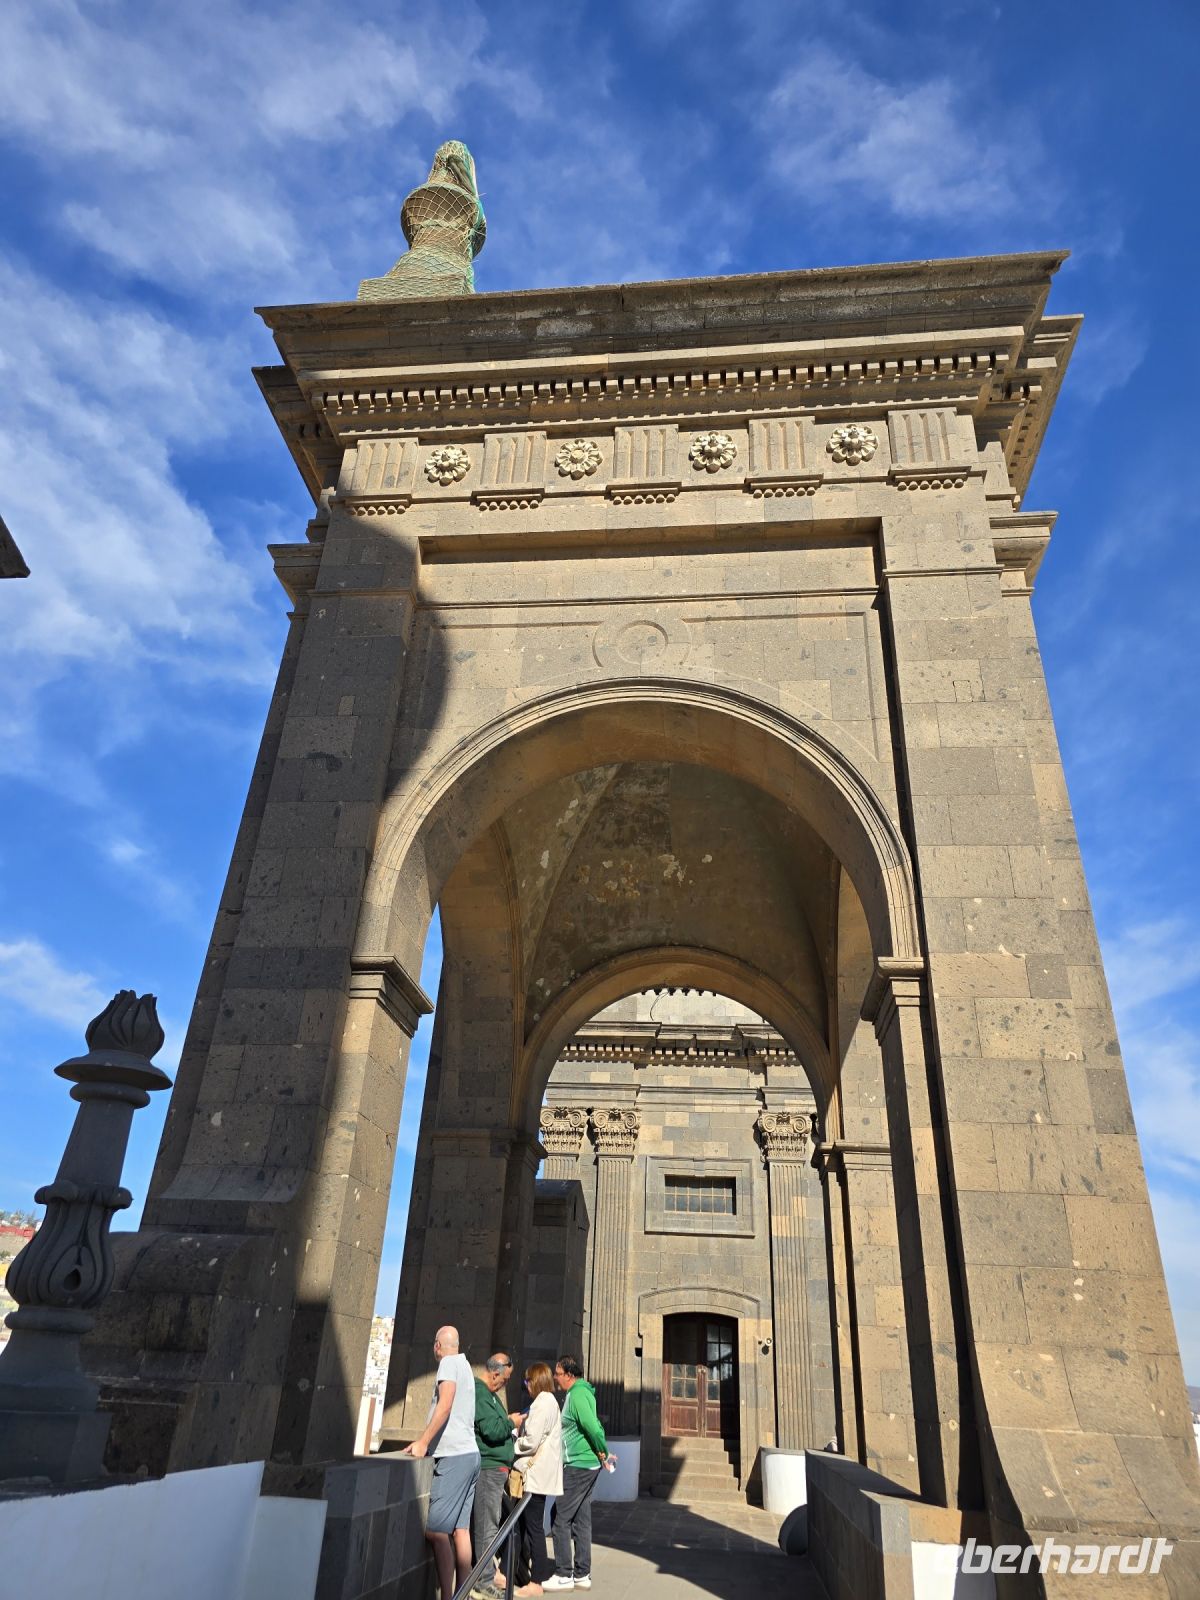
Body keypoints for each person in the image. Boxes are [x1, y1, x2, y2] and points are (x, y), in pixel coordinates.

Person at [405, 1325, 481, 1600]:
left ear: (438, 1345)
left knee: (436, 1531)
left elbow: (445, 1403)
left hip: (454, 1456)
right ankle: (463, 1593)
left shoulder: (448, 1364)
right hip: (470, 1454)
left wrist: (423, 1441)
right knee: (461, 1531)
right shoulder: (466, 1366)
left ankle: (448, 1597)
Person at [547, 1357, 609, 1591]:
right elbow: (594, 1425)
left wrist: (603, 1450)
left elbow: (592, 1426)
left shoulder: (578, 1394)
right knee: (581, 1520)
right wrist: (601, 1451)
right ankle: (582, 1574)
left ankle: (564, 1573)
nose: (555, 1377)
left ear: (569, 1375)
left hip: (579, 1465)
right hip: (584, 1463)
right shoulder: (579, 1392)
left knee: (560, 1517)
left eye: (558, 1373)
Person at [512, 1361, 563, 1598]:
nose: (526, 1385)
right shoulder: (549, 1402)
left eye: (527, 1381)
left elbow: (531, 1441)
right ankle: (512, 1572)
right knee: (523, 1525)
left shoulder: (542, 1404)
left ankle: (536, 1581)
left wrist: (515, 1441)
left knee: (533, 1527)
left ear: (536, 1381)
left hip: (534, 1475)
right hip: (538, 1475)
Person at [473, 1351, 517, 1599]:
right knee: (487, 1527)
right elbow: (490, 1429)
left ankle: (486, 1576)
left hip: (496, 1469)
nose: (504, 1384)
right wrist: (511, 1422)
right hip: (489, 1469)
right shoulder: (481, 1394)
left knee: (490, 1525)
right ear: (495, 1373)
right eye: (505, 1379)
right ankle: (483, 1581)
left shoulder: (489, 1395)